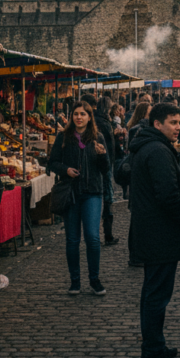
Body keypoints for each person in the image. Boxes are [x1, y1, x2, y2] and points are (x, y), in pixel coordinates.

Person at [129, 103, 180, 358]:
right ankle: (153, 351)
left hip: (153, 232)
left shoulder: (152, 146)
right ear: (157, 124)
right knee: (156, 296)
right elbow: (168, 195)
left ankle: (155, 344)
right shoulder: (157, 150)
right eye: (173, 122)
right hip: (159, 234)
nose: (179, 126)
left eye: (179, 122)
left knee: (153, 294)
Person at [48, 101, 111, 295]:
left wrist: (102, 155)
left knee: (92, 237)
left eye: (83, 114)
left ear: (89, 117)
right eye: (76, 114)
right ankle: (75, 281)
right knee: (72, 239)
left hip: (92, 193)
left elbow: (106, 169)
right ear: (71, 116)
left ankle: (95, 280)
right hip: (71, 194)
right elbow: (52, 163)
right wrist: (65, 169)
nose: (79, 117)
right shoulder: (64, 137)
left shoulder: (98, 137)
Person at [89, 95, 120, 246]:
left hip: (105, 161)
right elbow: (106, 143)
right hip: (103, 162)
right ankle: (107, 235)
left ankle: (106, 234)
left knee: (104, 199)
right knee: (106, 199)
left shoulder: (99, 120)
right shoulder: (102, 122)